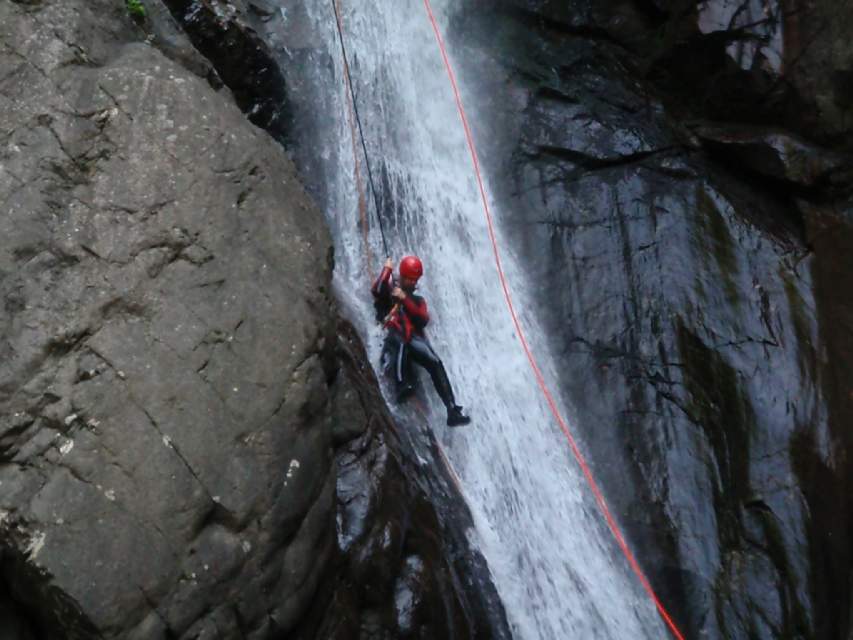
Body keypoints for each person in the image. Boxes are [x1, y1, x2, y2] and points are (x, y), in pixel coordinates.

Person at [371, 255, 471, 427]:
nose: (412, 282)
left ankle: (452, 409)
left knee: (435, 361)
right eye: (409, 279)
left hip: (411, 337)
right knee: (401, 340)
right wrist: (387, 269)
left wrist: (405, 299)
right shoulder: (390, 289)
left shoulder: (417, 300)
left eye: (414, 279)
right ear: (401, 275)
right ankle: (401, 385)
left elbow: (422, 319)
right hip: (391, 335)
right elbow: (377, 290)